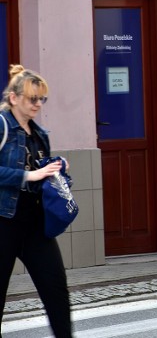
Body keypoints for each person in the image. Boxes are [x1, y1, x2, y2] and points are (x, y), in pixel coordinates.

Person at [0, 65, 72, 337]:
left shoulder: (40, 133)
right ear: (14, 98)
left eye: (42, 99)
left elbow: (42, 177)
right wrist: (30, 174)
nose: (38, 104)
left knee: (55, 287)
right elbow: (29, 174)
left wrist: (56, 169)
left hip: (34, 222)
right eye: (33, 99)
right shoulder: (2, 126)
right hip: (3, 220)